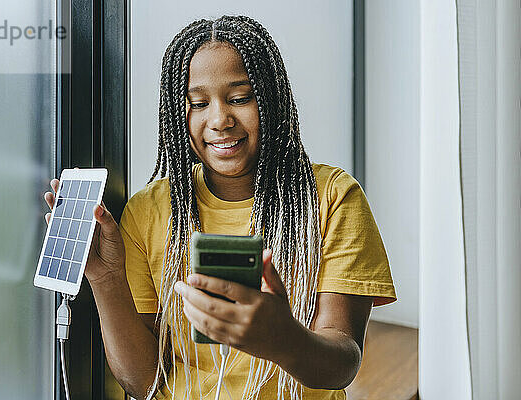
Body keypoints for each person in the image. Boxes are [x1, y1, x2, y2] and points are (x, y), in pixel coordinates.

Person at [44, 15, 396, 400]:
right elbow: (142, 381)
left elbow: (341, 365)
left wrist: (282, 338)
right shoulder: (149, 210)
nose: (219, 120)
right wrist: (105, 278)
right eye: (198, 103)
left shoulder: (332, 197)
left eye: (240, 98)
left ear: (272, 99)